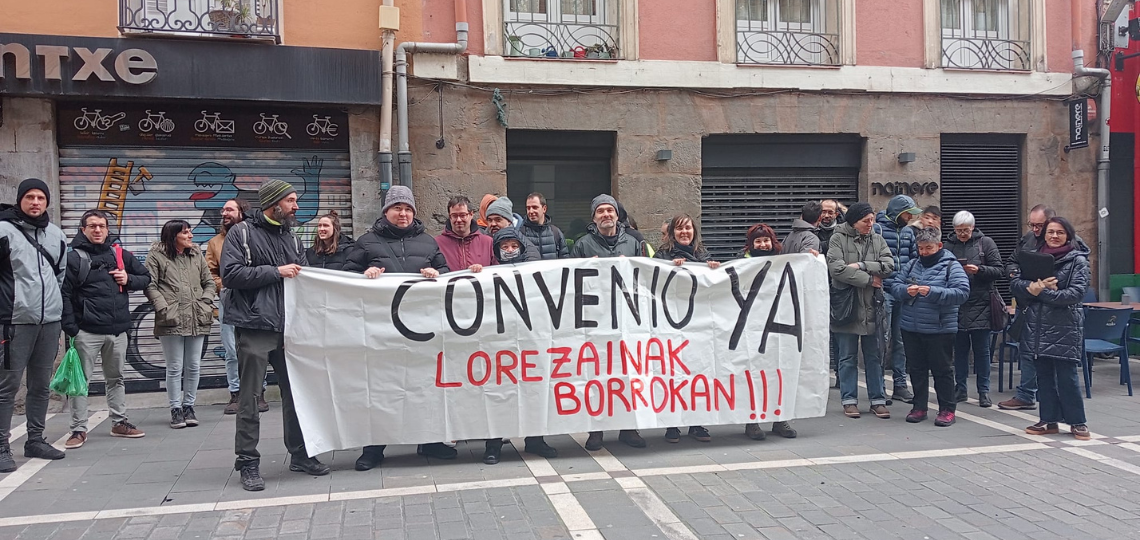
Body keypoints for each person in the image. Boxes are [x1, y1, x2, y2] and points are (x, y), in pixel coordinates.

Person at [222, 179, 329, 491]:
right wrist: (275, 271)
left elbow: (305, 276)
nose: (296, 207)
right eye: (292, 201)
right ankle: (247, 463)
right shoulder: (240, 233)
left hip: (289, 329)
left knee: (296, 395)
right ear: (274, 202)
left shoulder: (292, 237)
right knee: (251, 398)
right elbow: (230, 275)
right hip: (255, 327)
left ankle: (300, 454)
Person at [353, 186, 454, 470]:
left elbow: (446, 273)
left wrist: (437, 274)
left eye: (408, 208)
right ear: (386, 211)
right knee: (382, 389)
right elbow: (343, 279)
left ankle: (430, 440)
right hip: (381, 329)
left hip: (422, 328)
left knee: (425, 385)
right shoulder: (366, 242)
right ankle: (373, 448)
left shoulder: (428, 242)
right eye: (398, 208)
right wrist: (364, 276)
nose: (403, 213)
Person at [62, 210, 150, 449]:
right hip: (86, 331)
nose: (97, 230)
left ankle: (119, 422)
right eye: (92, 226)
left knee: (116, 378)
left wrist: (127, 279)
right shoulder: (73, 258)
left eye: (101, 226)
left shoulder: (119, 254)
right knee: (80, 382)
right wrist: (72, 329)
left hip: (117, 330)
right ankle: (79, 429)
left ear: (108, 229)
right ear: (83, 230)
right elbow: (64, 294)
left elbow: (146, 278)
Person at [472, 227, 560, 464]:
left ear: (521, 248)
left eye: (514, 246)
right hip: (499, 343)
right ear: (497, 250)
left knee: (534, 390)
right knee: (498, 392)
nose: (510, 251)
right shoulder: (487, 274)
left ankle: (535, 439)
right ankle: (494, 443)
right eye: (504, 247)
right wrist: (475, 276)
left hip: (530, 342)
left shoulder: (534, 273)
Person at [0, 179, 69, 472]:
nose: (36, 202)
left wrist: (54, 306)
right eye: (30, 197)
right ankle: (2, 447)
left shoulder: (55, 234)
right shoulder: (4, 232)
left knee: (41, 385)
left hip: (49, 321)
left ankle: (36, 439)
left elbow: (60, 276)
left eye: (41, 197)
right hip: (14, 322)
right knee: (7, 386)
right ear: (20, 200)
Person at [571, 194, 647, 450]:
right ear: (594, 217)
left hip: (627, 320)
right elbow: (571, 281)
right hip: (596, 322)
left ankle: (629, 428)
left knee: (628, 374)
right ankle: (596, 430)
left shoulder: (634, 243)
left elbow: (646, 277)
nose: (606, 215)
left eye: (609, 210)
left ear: (617, 215)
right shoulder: (583, 245)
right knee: (597, 375)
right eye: (600, 211)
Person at [1010, 217, 1091, 440]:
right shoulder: (1033, 257)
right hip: (1036, 325)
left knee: (1067, 377)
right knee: (1043, 376)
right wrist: (1031, 287)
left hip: (1065, 326)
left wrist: (1043, 292)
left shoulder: (1078, 261)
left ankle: (1078, 422)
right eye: (1050, 232)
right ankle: (1048, 420)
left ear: (1069, 235)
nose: (1054, 236)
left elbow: (1075, 294)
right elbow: (1015, 284)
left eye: (1060, 232)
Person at [889, 227, 970, 427]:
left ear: (939, 246)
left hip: (940, 328)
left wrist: (932, 291)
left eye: (928, 248)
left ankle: (947, 409)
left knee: (942, 370)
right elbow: (895, 286)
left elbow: (962, 292)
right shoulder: (912, 264)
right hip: (911, 326)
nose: (924, 252)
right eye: (921, 248)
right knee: (916, 369)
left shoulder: (951, 266)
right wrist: (907, 291)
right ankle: (919, 407)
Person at [654, 214, 721, 444]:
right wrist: (669, 269)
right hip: (670, 325)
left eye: (688, 228)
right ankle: (672, 425)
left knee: (697, 374)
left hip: (697, 327)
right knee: (672, 375)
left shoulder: (703, 255)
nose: (684, 232)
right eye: (680, 229)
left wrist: (711, 269)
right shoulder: (663, 256)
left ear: (694, 231)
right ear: (672, 232)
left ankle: (696, 423)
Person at [145, 220, 215, 430]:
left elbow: (209, 282)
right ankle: (175, 409)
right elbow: (150, 284)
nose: (190, 236)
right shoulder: (156, 256)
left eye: (190, 231)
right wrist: (163, 307)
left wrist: (205, 301)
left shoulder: (196, 254)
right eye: (185, 233)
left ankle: (189, 406)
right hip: (171, 317)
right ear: (173, 235)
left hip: (196, 316)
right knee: (175, 366)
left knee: (193, 365)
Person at [827, 202, 894, 419]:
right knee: (847, 356)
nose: (870, 224)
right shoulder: (837, 238)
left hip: (873, 306)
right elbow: (836, 269)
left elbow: (890, 265)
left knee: (874, 355)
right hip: (846, 306)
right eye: (866, 221)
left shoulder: (877, 238)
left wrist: (862, 265)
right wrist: (867, 280)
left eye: (872, 219)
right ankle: (849, 400)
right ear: (854, 222)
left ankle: (878, 399)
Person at [737, 223, 800, 440]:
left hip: (779, 329)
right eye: (758, 241)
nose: (762, 245)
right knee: (752, 375)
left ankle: (779, 419)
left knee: (779, 372)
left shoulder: (785, 263)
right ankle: (751, 421)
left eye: (766, 240)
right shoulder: (741, 264)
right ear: (751, 244)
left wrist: (812, 259)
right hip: (751, 328)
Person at [207, 199, 268, 416]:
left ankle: (258, 392)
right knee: (232, 351)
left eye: (229, 209)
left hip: (254, 300)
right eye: (223, 209)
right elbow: (210, 271)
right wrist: (223, 286)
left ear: (242, 212)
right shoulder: (215, 242)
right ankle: (236, 392)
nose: (224, 213)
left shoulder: (255, 236)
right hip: (229, 300)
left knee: (256, 349)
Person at [998, 204, 1055, 411]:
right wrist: (1014, 275)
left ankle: (1048, 396)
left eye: (1039, 225)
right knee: (1026, 351)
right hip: (1026, 303)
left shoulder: (1062, 241)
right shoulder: (1028, 239)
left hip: (1050, 306)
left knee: (1049, 355)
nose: (1035, 230)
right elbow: (1012, 261)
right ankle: (1026, 394)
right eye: (1032, 225)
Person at [945, 211, 1003, 408]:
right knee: (959, 350)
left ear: (973, 228)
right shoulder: (948, 246)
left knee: (982, 350)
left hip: (982, 303)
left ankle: (983, 391)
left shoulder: (985, 243)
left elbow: (999, 270)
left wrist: (980, 270)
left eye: (966, 230)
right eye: (959, 230)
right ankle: (960, 388)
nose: (962, 234)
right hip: (957, 304)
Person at [874, 194, 922, 404]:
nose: (910, 218)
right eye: (907, 213)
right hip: (884, 289)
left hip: (902, 290)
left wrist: (910, 282)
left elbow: (914, 259)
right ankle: (880, 386)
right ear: (897, 213)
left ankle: (900, 384)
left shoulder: (909, 232)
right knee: (882, 340)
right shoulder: (878, 229)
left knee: (900, 339)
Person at [436, 195, 494, 272]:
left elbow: (496, 272)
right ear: (450, 217)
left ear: (471, 214)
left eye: (463, 215)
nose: (458, 220)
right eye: (454, 216)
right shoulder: (437, 243)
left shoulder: (487, 242)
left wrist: (482, 271)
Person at [484, 197, 540, 261]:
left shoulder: (522, 239)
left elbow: (532, 260)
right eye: (490, 220)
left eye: (498, 220)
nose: (493, 224)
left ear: (509, 221)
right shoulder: (483, 241)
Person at [520, 192, 569, 260]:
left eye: (535, 207)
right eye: (528, 208)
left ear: (544, 209)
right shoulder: (520, 234)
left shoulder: (556, 233)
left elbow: (565, 260)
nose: (531, 211)